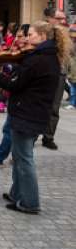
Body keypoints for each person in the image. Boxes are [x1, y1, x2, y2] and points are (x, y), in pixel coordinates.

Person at [0, 20, 72, 214]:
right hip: (30, 112)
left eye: (30, 34)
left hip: (28, 114)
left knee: (24, 159)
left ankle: (30, 202)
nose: (26, 37)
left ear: (42, 36)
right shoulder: (42, 56)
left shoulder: (38, 59)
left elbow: (15, 85)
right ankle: (17, 194)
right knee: (19, 155)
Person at [0, 25, 31, 169]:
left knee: (9, 130)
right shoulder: (22, 54)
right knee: (12, 132)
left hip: (23, 102)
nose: (17, 39)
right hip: (18, 101)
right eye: (17, 36)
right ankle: (15, 157)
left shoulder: (30, 57)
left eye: (21, 36)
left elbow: (16, 81)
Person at [40, 9, 69, 150]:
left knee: (54, 108)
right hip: (42, 72)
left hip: (60, 73)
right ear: (49, 18)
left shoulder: (66, 33)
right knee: (37, 104)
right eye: (59, 18)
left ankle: (48, 137)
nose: (62, 21)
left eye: (63, 18)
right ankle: (31, 136)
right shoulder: (42, 31)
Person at [66, 45, 76, 110]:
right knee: (73, 92)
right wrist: (68, 76)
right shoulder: (71, 59)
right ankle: (72, 104)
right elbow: (68, 68)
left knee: (73, 91)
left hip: (73, 77)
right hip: (72, 78)